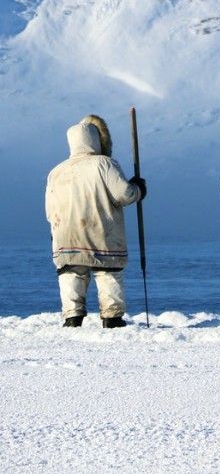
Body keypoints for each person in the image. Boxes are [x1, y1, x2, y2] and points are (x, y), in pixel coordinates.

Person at [45, 114, 147, 328]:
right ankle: (112, 318)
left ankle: (72, 318)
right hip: (101, 233)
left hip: (66, 235)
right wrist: (139, 188)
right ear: (96, 138)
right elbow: (124, 194)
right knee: (108, 274)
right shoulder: (104, 163)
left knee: (71, 275)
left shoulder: (56, 171)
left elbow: (49, 209)